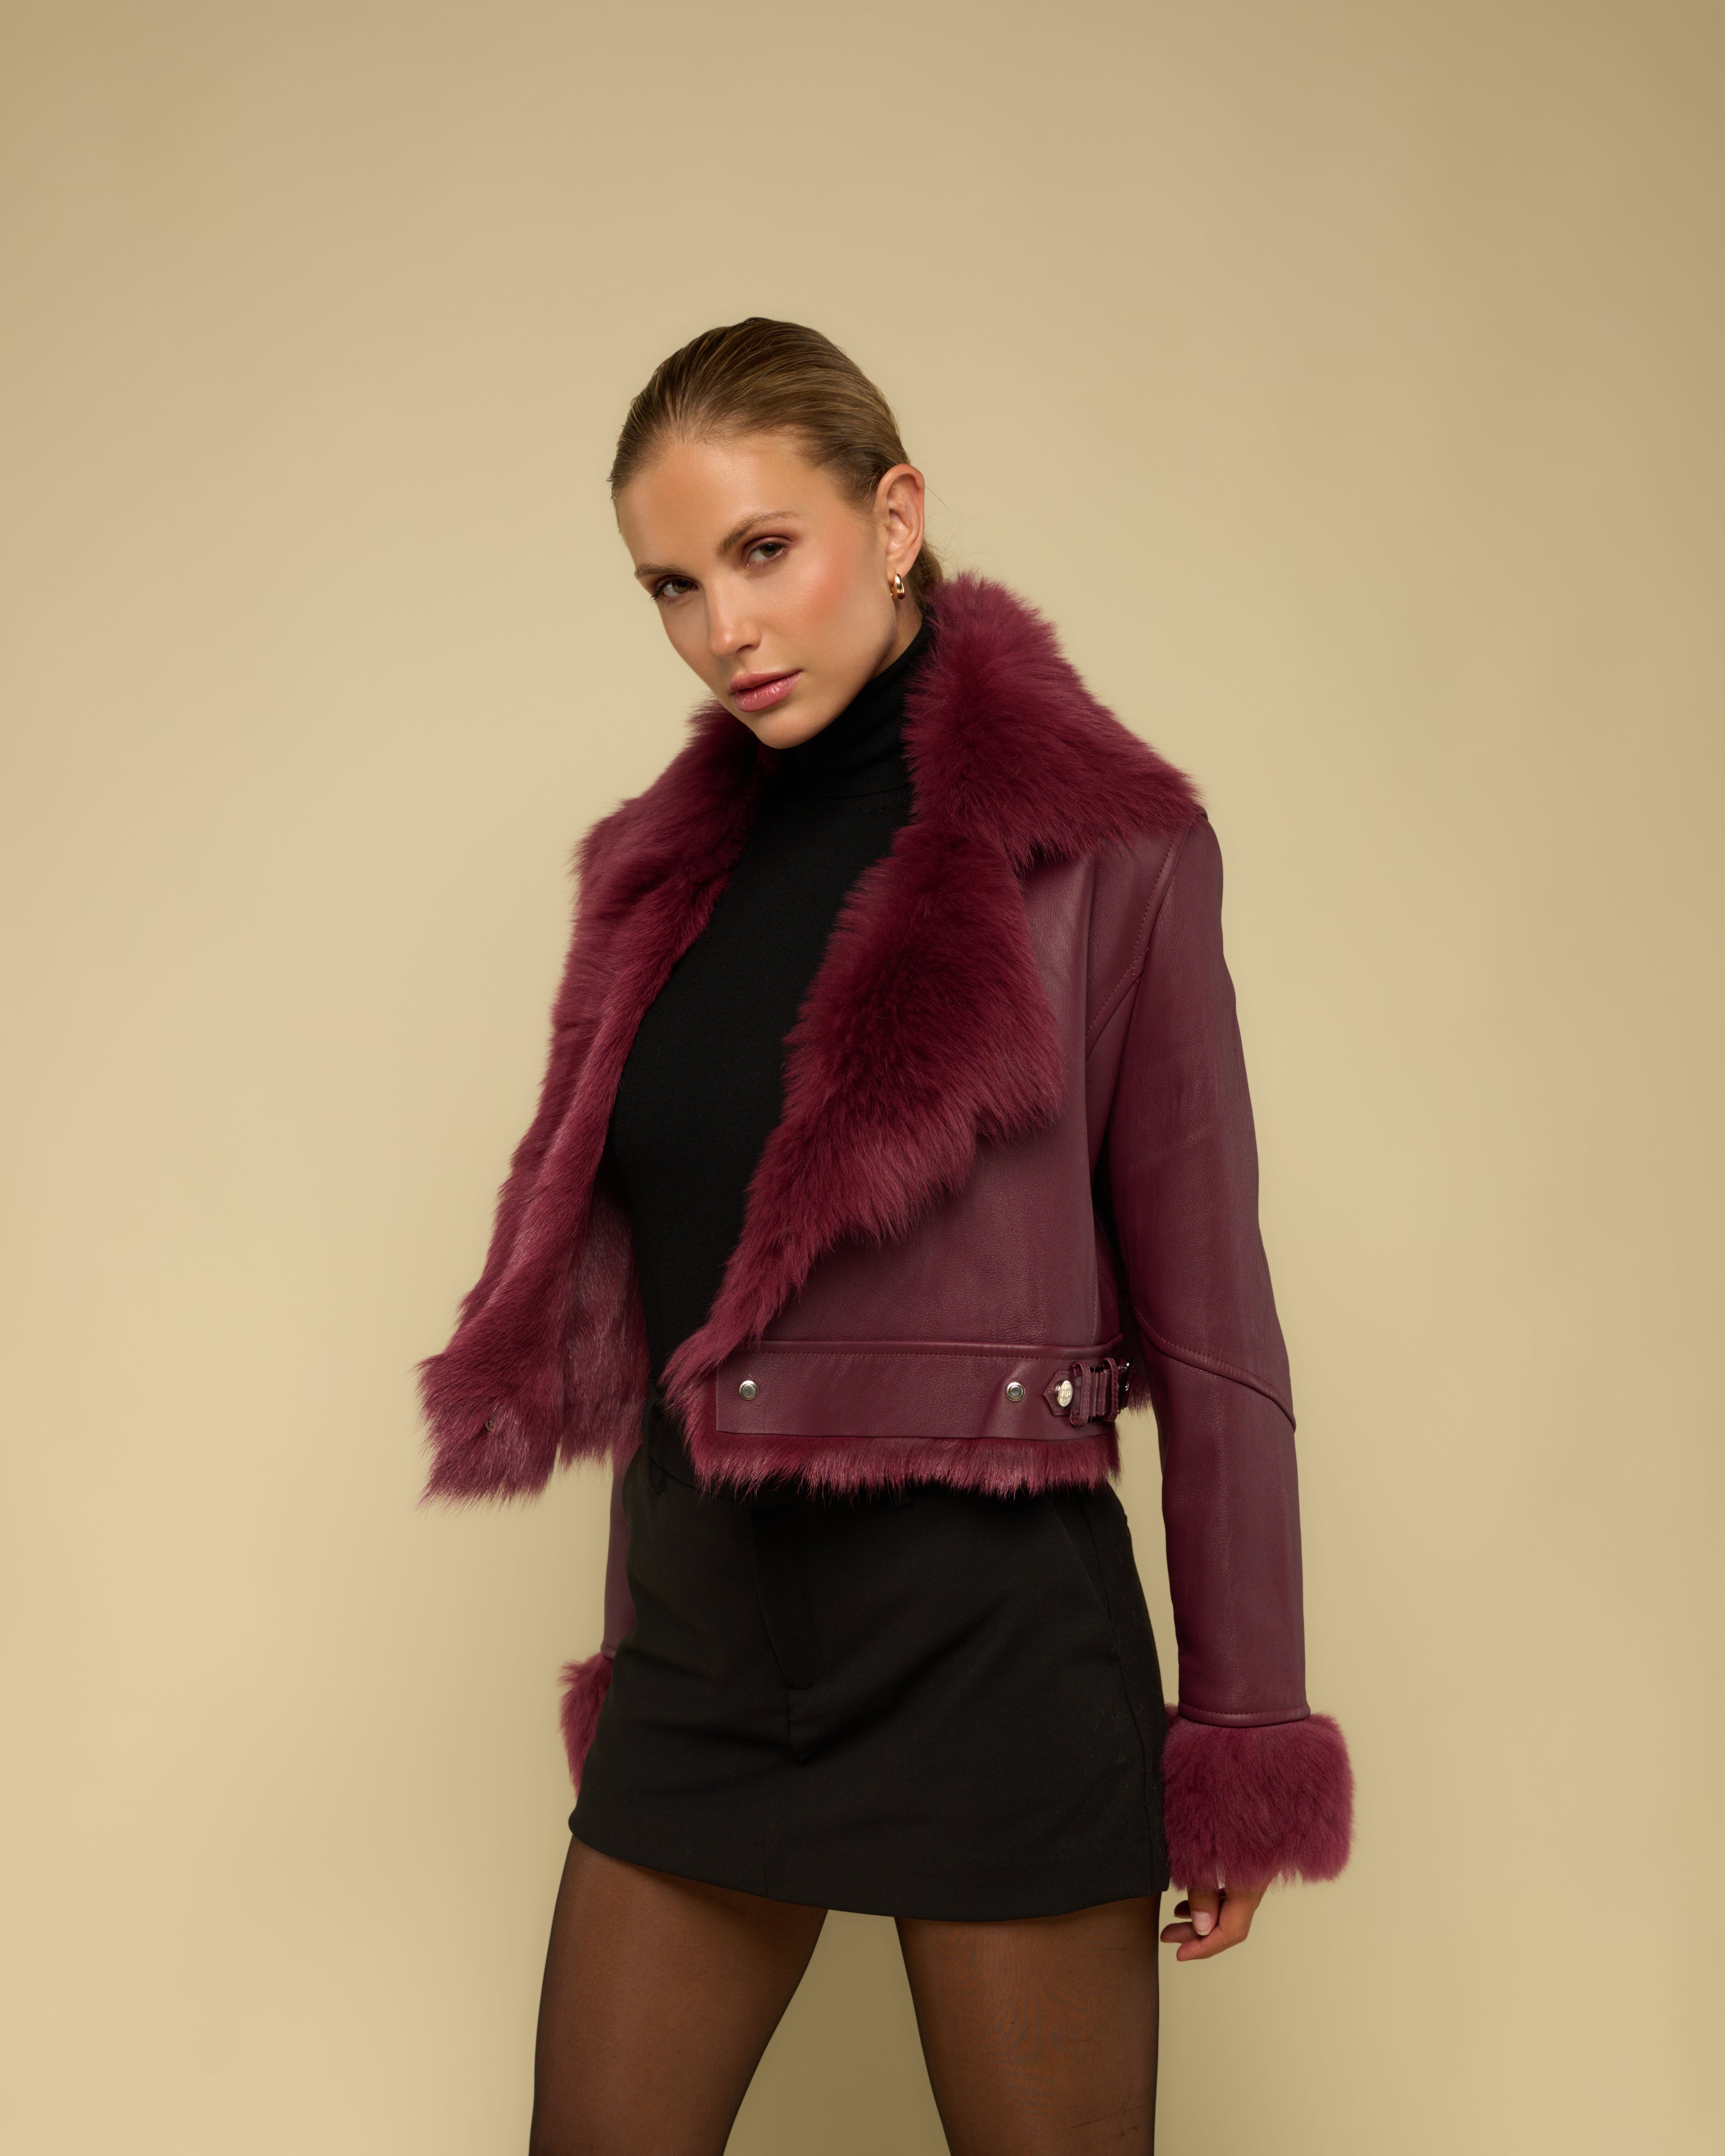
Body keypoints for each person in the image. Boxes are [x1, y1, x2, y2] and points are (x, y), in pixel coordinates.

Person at [418, 317, 1354, 2155]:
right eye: (673, 585)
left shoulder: (1108, 857)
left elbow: (1215, 1322)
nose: (725, 627)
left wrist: (1241, 1728)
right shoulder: (649, 884)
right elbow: (677, 1322)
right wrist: (627, 1643)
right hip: (709, 1649)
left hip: (993, 1647)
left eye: (765, 550)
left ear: (897, 515)